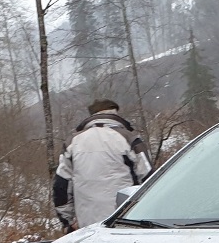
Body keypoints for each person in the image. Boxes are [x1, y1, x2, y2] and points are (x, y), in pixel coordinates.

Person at [52, 99, 153, 231]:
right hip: (127, 222)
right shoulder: (130, 139)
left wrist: (68, 222)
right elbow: (150, 180)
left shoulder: (72, 143)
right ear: (115, 113)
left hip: (88, 227)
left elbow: (61, 186)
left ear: (92, 115)